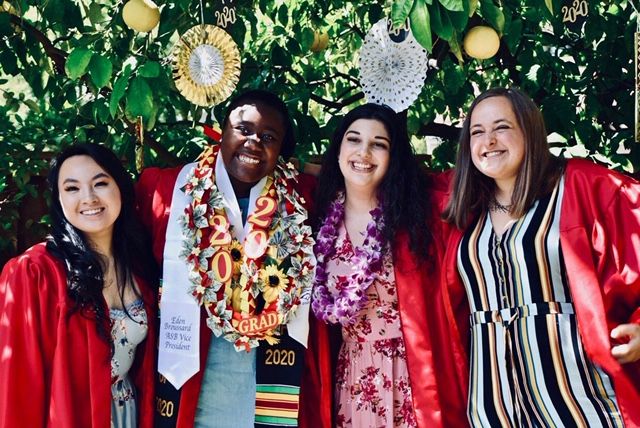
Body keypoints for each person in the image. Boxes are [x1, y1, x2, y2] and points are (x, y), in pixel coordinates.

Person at [440, 87, 640, 426]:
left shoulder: (583, 186)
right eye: (477, 131)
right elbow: (377, 182)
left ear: (529, 131)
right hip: (492, 407)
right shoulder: (463, 208)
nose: (488, 140)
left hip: (579, 401)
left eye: (501, 127)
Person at [136, 89, 325, 428]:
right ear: (221, 132)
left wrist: (305, 166)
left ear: (282, 151)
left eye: (269, 137)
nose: (254, 142)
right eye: (244, 129)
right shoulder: (166, 190)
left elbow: (354, 180)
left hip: (266, 377)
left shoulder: (301, 197)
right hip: (192, 381)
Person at [310, 103, 467, 427]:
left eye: (378, 144)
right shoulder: (319, 215)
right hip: (352, 377)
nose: (363, 152)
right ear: (339, 148)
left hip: (412, 373)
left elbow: (468, 184)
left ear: (392, 157)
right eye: (354, 140)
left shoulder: (417, 215)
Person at [0, 143, 158, 427]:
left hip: (127, 414)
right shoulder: (35, 273)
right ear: (59, 200)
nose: (88, 197)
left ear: (120, 188)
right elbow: (17, 385)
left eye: (100, 183)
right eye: (72, 188)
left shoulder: (138, 269)